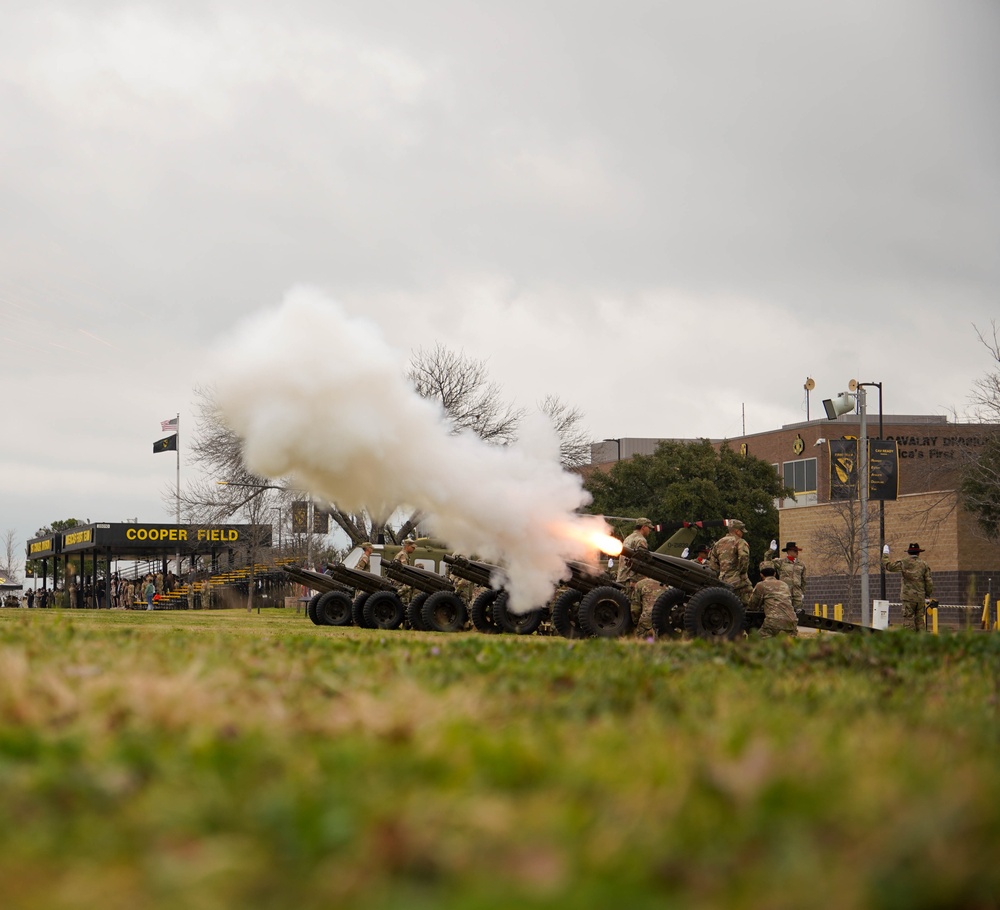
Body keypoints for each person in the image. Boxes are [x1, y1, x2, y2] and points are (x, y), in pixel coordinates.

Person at [616, 517, 662, 637]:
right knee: (634, 608)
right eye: (649, 528)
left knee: (624, 608)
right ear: (643, 527)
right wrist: (634, 579)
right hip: (632, 580)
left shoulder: (628, 538)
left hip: (622, 577)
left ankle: (623, 634)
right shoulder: (640, 540)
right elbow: (640, 561)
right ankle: (634, 635)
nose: (650, 531)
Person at [882, 542, 933, 631]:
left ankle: (910, 641)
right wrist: (927, 595)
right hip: (920, 597)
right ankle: (922, 641)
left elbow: (889, 567)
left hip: (908, 597)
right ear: (918, 553)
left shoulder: (904, 563)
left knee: (908, 620)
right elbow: (928, 581)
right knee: (920, 621)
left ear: (908, 552)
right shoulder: (924, 564)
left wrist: (885, 554)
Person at [707, 519, 752, 605]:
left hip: (722, 582)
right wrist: (742, 572)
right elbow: (744, 557)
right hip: (739, 581)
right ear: (737, 531)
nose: (742, 533)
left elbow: (712, 564)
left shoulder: (718, 543)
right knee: (750, 604)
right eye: (741, 531)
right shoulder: (740, 541)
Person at [748, 565, 798, 638]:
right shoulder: (784, 584)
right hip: (792, 620)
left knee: (754, 639)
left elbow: (752, 605)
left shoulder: (761, 585)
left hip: (773, 621)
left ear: (761, 574)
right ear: (774, 574)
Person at [761, 541, 808, 610]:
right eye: (795, 551)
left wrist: (803, 593)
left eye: (797, 551)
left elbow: (803, 580)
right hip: (785, 593)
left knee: (799, 614)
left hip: (797, 594)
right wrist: (771, 550)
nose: (797, 553)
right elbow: (768, 561)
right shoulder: (781, 562)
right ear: (789, 551)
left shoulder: (801, 564)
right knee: (785, 612)